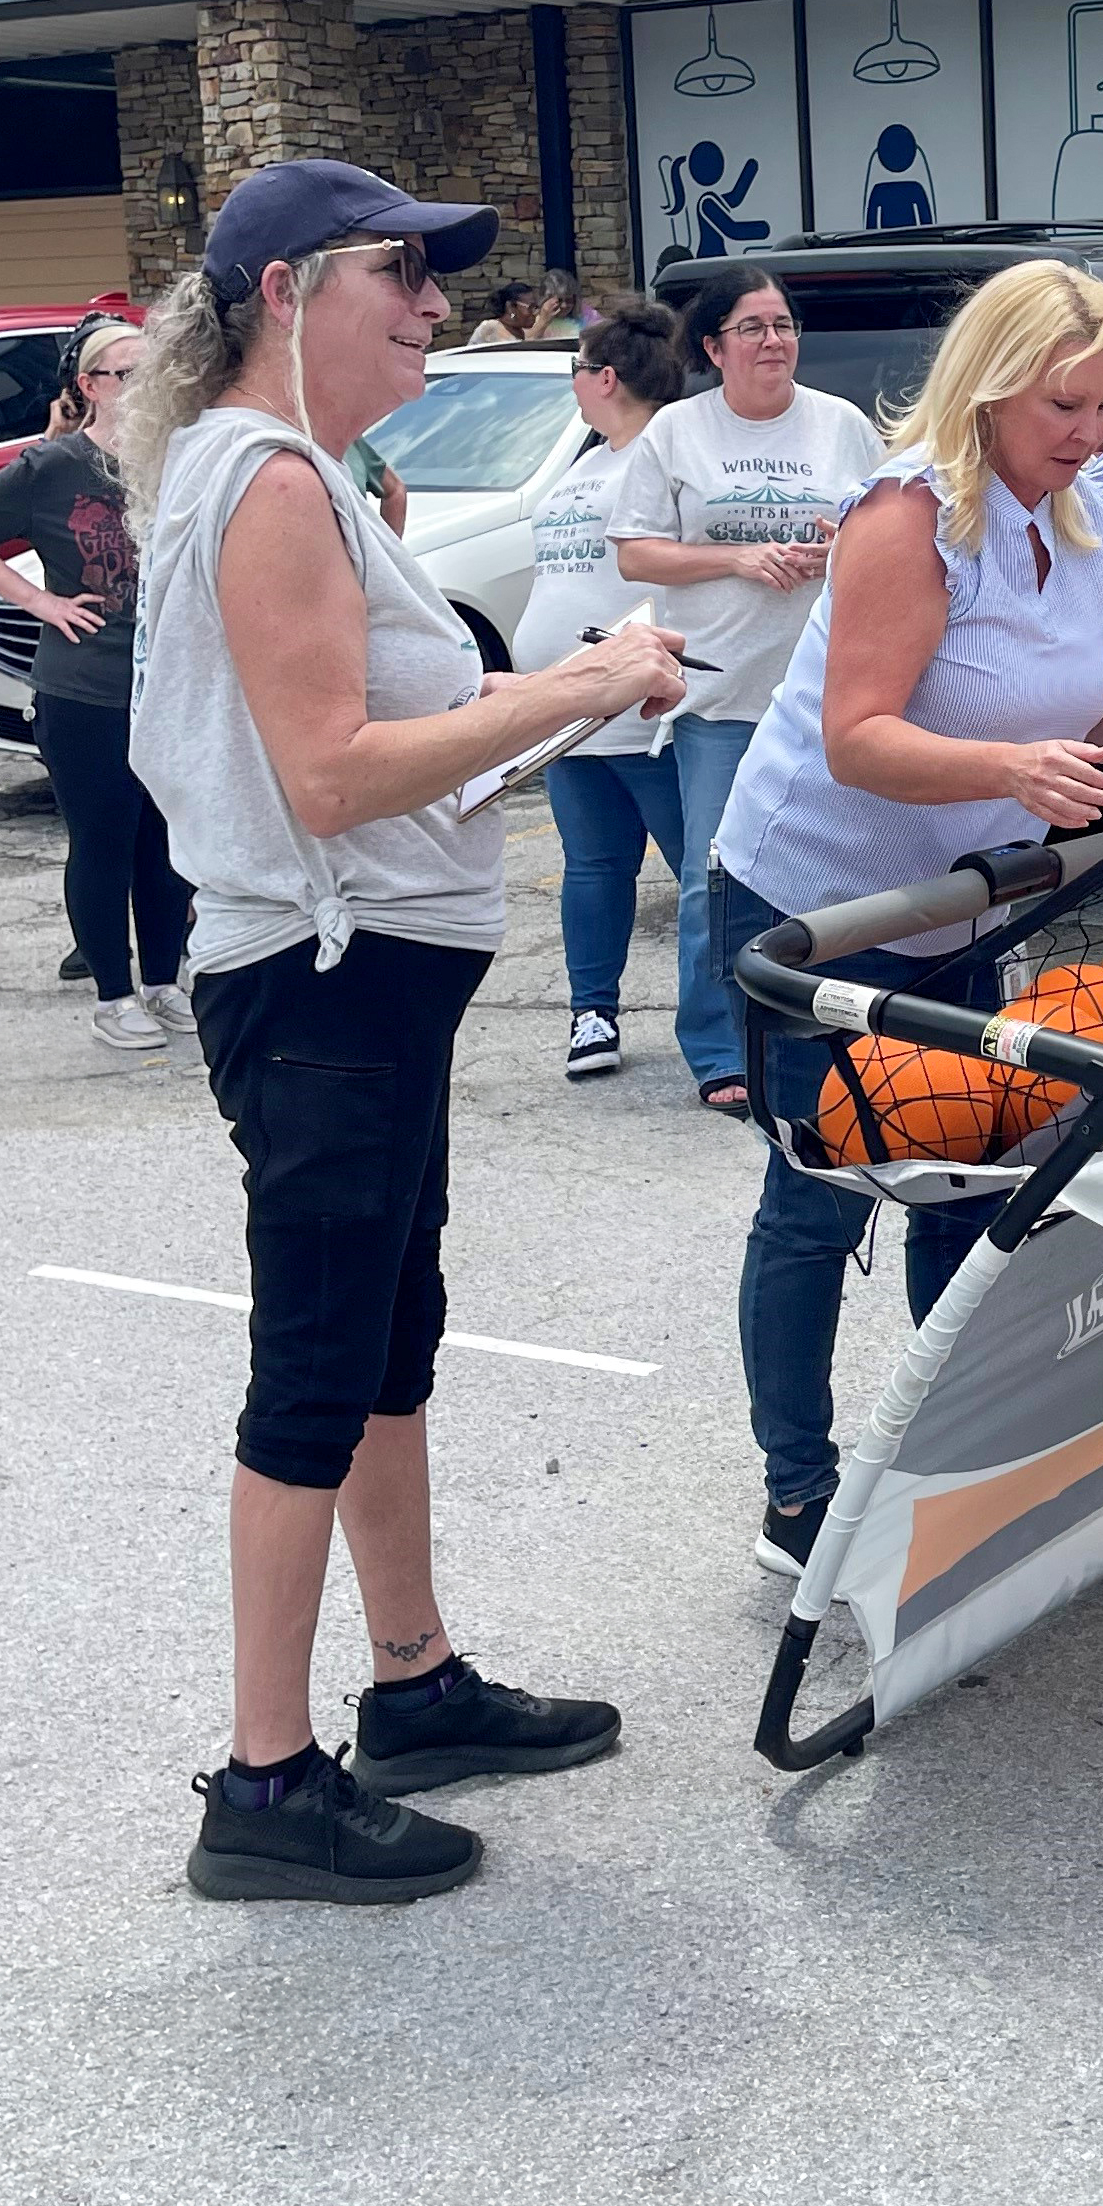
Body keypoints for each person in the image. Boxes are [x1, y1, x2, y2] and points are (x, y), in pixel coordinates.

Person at [121, 156, 687, 1908]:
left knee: (384, 1333)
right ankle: (266, 1783)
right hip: (321, 984)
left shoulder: (295, 473)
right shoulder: (271, 476)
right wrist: (586, 684)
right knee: (315, 1360)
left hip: (359, 977)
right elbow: (330, 772)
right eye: (405, 274)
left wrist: (554, 689)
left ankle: (413, 1681)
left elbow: (394, 751)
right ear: (289, 289)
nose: (439, 305)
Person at [709, 259, 1103, 1571]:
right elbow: (858, 738)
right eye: (1063, 406)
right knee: (824, 1196)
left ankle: (953, 1463)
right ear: (992, 389)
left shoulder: (1095, 506)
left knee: (964, 1184)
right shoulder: (909, 517)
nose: (1087, 434)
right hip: (813, 904)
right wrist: (1010, 774)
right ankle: (798, 1493)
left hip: (963, 908)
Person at [612, 268, 883, 1110]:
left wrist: (843, 541)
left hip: (823, 694)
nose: (774, 341)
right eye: (754, 327)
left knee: (842, 872)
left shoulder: (840, 425)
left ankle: (834, 1027)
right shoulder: (675, 434)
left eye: (785, 325)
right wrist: (736, 558)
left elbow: (890, 533)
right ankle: (720, 1049)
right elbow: (635, 550)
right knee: (713, 877)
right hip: (722, 695)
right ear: (713, 347)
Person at [0, 316, 195, 1055]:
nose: (145, 386)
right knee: (104, 838)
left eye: (154, 371)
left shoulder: (178, 458)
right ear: (90, 386)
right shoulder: (54, 466)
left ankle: (165, 983)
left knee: (166, 841)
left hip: (167, 684)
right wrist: (40, 601)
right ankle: (114, 994)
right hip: (84, 686)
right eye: (127, 373)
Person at [517, 295, 696, 1084]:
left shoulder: (667, 453)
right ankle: (593, 1013)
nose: (573, 383)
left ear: (607, 378)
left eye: (578, 369)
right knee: (592, 865)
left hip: (647, 708)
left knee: (699, 872)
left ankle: (721, 1027)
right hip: (567, 708)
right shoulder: (590, 458)